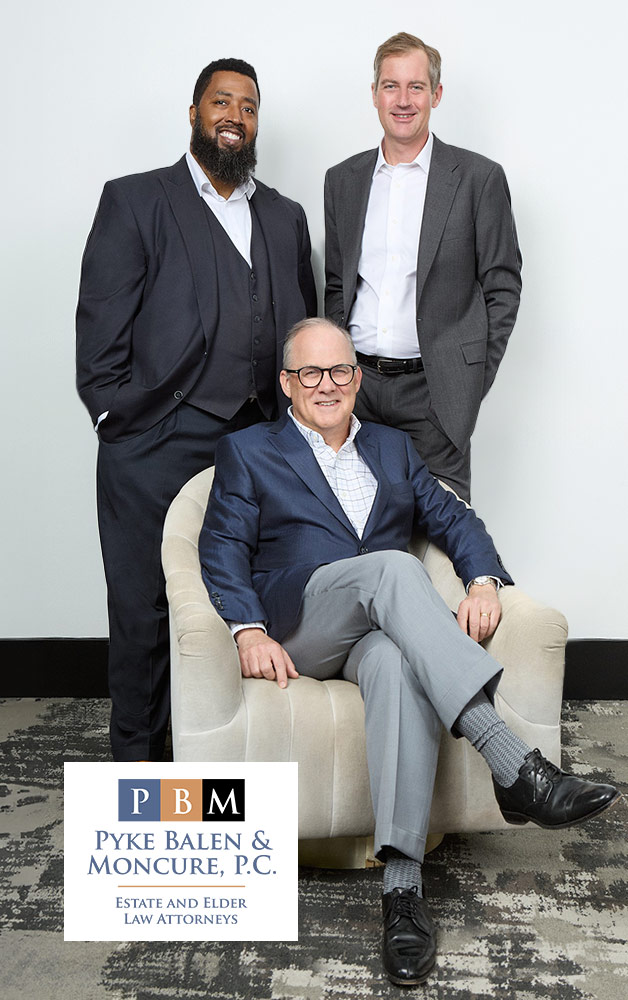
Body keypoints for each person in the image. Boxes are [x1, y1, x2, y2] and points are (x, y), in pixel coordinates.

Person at [200, 318, 620, 987]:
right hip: (304, 622)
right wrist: (247, 630)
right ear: (287, 383)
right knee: (395, 567)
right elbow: (221, 544)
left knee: (396, 666)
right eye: (311, 373)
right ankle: (514, 764)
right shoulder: (249, 450)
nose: (328, 385)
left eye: (341, 371)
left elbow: (454, 519)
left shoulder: (392, 448)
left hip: (378, 632)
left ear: (357, 379)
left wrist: (483, 581)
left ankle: (401, 893)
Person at [76, 58, 317, 762]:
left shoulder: (285, 217)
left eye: (248, 106)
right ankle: (141, 779)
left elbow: (301, 331)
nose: (234, 116)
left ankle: (226, 777)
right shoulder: (136, 201)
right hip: (155, 442)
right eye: (221, 101)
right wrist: (118, 422)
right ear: (194, 113)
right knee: (145, 612)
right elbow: (100, 331)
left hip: (257, 444)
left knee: (249, 605)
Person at [324, 32, 522, 501]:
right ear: (374, 94)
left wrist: (465, 383)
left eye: (416, 86)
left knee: (441, 534)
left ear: (436, 94)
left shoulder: (478, 179)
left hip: (434, 397)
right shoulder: (342, 180)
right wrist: (337, 375)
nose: (403, 100)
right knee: (351, 528)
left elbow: (503, 287)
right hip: (356, 394)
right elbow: (336, 283)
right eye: (391, 86)